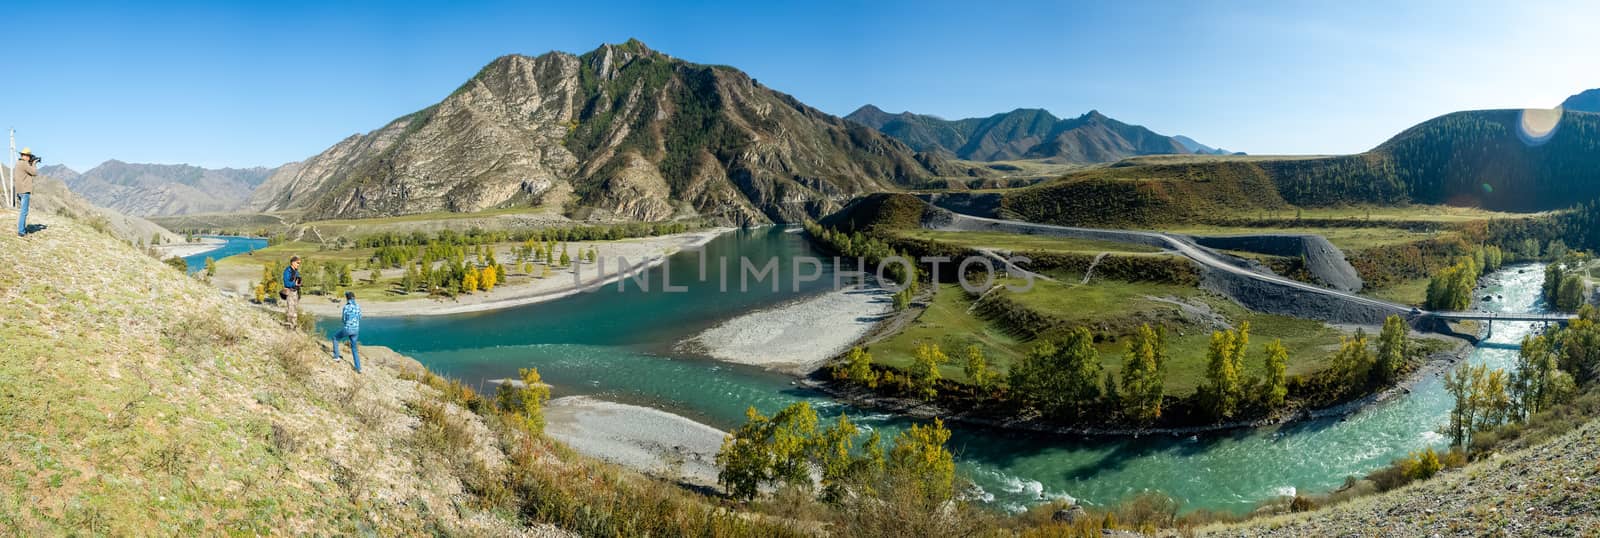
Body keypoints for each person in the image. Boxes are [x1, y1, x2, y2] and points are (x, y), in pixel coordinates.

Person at [332, 291, 362, 373]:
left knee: (335, 338)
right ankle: (358, 368)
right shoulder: (358, 306)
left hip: (348, 328)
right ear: (354, 297)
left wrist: (347, 323)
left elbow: (343, 319)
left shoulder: (346, 307)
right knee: (354, 348)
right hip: (356, 330)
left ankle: (336, 356)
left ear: (347, 298)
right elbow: (360, 317)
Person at [15, 148, 38, 237]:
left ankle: (21, 229)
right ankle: (21, 231)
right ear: (26, 156)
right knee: (24, 212)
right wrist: (34, 164)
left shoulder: (18, 163)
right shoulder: (24, 163)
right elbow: (34, 172)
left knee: (22, 211)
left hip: (19, 190)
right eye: (29, 156)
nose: (30, 158)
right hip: (25, 191)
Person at [281, 256, 303, 326]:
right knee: (290, 309)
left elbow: (297, 281)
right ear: (293, 262)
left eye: (299, 263)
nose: (298, 265)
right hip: (289, 292)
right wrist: (294, 283)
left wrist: (299, 284)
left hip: (295, 292)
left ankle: (294, 324)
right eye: (297, 263)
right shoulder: (287, 271)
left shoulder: (296, 271)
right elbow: (286, 283)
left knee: (295, 309)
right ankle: (289, 325)